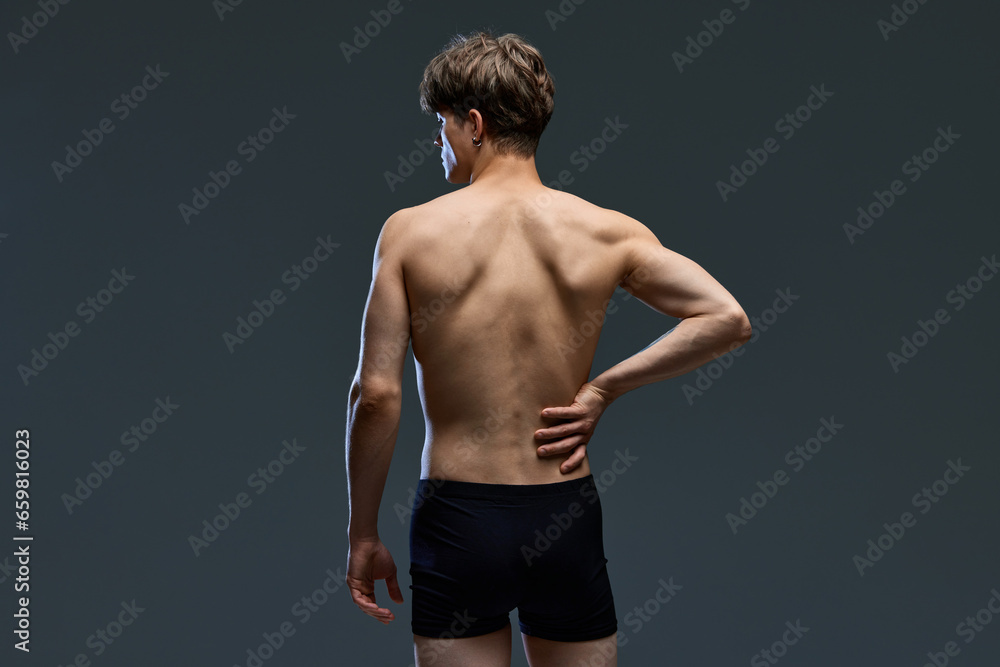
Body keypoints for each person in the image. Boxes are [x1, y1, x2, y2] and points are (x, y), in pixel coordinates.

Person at [346, 30, 752, 667]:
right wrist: (602, 390)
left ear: (474, 124)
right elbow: (726, 318)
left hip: (459, 518)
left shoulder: (409, 233)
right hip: (561, 514)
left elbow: (376, 395)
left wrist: (362, 532)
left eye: (441, 124)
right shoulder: (605, 231)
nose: (438, 140)